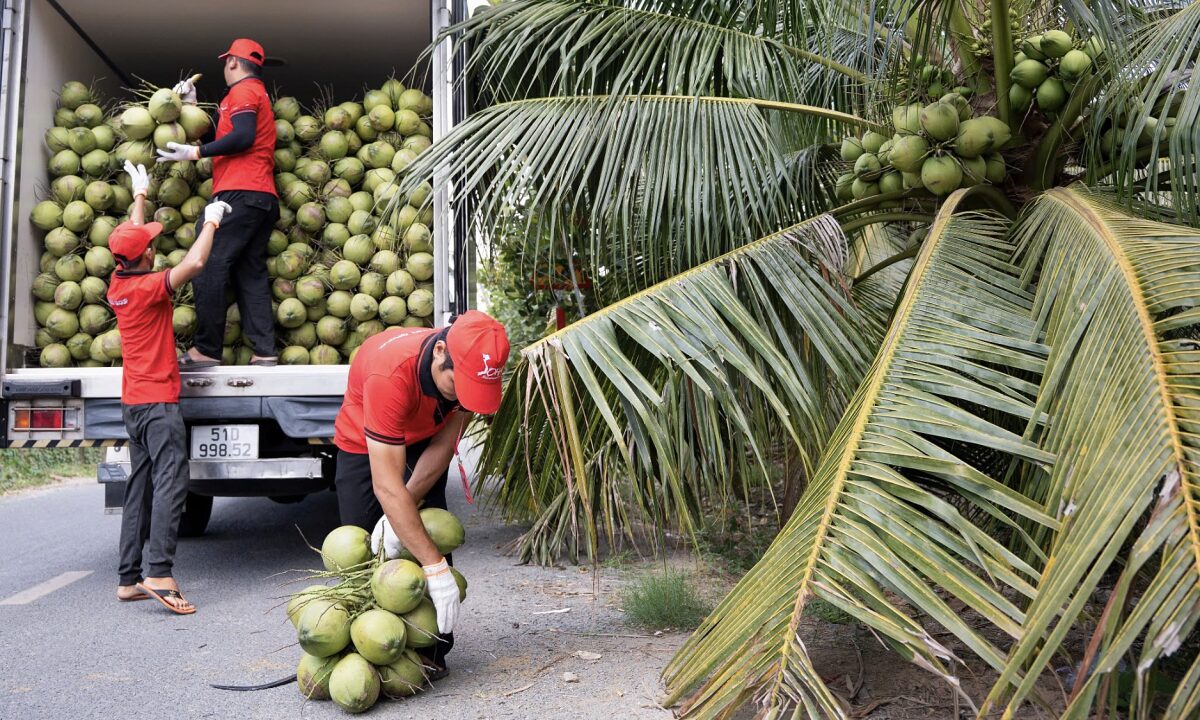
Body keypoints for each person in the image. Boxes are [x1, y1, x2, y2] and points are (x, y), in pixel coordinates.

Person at [333, 311, 510, 675]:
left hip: (424, 438)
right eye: (457, 385)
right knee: (363, 548)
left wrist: (432, 562)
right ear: (440, 351)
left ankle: (429, 653)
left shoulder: (469, 364)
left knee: (426, 536)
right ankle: (364, 655)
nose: (463, 396)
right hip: (365, 444)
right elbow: (385, 483)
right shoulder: (390, 373)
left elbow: (445, 445)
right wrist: (431, 562)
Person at [109, 160, 231, 614]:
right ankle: (159, 572)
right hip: (158, 405)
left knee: (139, 485)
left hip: (133, 404)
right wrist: (212, 220)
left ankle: (128, 579)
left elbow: (132, 241)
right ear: (144, 258)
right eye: (150, 247)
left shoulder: (118, 283)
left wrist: (139, 196)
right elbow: (196, 262)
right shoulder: (148, 289)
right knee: (171, 481)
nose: (153, 250)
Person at [156, 38, 278, 369]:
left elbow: (242, 138)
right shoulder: (252, 95)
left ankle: (207, 349)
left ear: (234, 63)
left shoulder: (243, 92)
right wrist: (192, 108)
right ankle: (265, 351)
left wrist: (194, 152)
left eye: (226, 63)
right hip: (262, 198)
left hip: (239, 194)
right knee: (248, 272)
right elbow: (225, 138)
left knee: (206, 263)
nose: (225, 68)